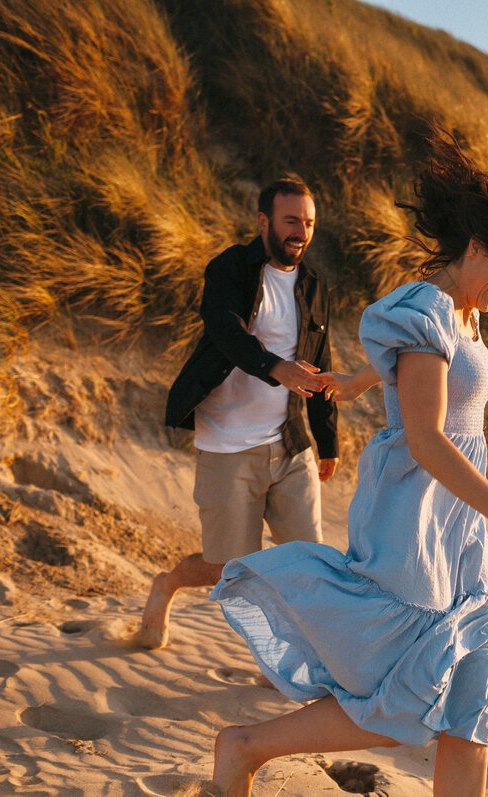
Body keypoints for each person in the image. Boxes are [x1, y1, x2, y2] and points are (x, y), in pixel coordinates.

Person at [198, 133, 488, 797]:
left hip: (458, 522)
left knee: (470, 695)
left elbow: (418, 373)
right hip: (416, 510)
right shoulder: (423, 308)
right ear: (474, 248)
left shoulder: (463, 314)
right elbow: (430, 439)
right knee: (404, 690)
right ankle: (246, 746)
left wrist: (354, 380)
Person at [136, 175, 339, 651]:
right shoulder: (229, 268)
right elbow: (226, 331)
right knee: (230, 568)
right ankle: (167, 584)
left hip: (289, 444)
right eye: (291, 221)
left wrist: (326, 440)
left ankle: (287, 666)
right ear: (264, 221)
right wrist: (275, 368)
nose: (301, 233)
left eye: (308, 223)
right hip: (227, 443)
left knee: (306, 563)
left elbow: (321, 365)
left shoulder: (314, 286)